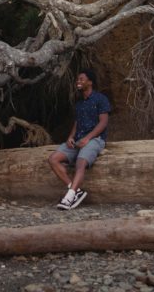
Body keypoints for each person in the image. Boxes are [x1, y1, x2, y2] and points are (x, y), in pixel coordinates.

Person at [48, 69, 111, 210]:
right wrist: (70, 137)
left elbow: (103, 123)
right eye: (78, 79)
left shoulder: (101, 99)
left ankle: (69, 197)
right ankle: (75, 191)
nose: (78, 81)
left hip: (95, 139)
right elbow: (77, 124)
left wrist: (88, 138)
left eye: (82, 79)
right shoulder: (79, 103)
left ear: (90, 82)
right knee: (53, 159)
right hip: (78, 140)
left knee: (80, 162)